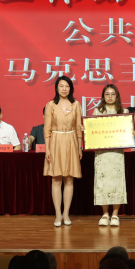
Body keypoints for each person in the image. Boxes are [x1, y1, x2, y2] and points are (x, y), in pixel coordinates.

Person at [44, 76, 83, 227]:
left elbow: (79, 128)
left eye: (67, 86)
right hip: (56, 142)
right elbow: (47, 130)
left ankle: (66, 213)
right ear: (56, 88)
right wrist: (47, 149)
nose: (64, 89)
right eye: (61, 86)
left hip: (71, 141)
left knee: (69, 179)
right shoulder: (51, 105)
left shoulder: (76, 104)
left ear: (71, 88)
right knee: (56, 179)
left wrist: (79, 147)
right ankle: (58, 214)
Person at [93, 84, 128, 227]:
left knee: (117, 183)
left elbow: (127, 131)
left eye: (113, 94)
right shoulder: (97, 111)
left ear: (117, 96)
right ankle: (105, 214)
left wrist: (132, 133)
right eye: (107, 94)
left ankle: (115, 214)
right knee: (103, 183)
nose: (110, 97)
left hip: (117, 153)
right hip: (102, 153)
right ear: (103, 96)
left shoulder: (124, 112)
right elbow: (92, 131)